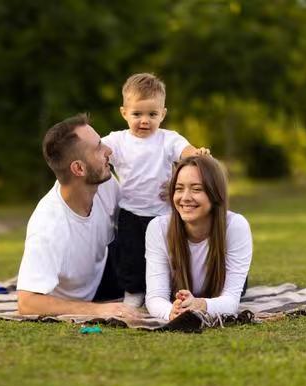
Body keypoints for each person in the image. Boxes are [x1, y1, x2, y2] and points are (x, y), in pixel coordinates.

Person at [16, 113, 140, 318]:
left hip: (105, 269)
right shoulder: (49, 225)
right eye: (99, 147)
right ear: (79, 168)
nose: (109, 151)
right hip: (79, 296)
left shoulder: (105, 185)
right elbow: (27, 303)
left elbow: (136, 220)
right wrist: (98, 310)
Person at [102, 72, 209, 307]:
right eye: (137, 114)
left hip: (164, 213)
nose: (144, 120)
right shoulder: (118, 141)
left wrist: (197, 154)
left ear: (163, 114)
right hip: (130, 211)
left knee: (168, 255)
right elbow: (96, 150)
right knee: (131, 255)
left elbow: (185, 151)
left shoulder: (167, 139)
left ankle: (169, 290)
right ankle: (134, 292)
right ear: (124, 113)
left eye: (152, 114)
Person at [145, 156, 252, 321]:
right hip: (181, 293)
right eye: (179, 188)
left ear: (215, 192)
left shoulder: (235, 226)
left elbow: (231, 301)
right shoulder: (158, 228)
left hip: (219, 283)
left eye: (196, 189)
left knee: (240, 287)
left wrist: (199, 304)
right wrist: (171, 312)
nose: (185, 197)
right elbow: (155, 297)